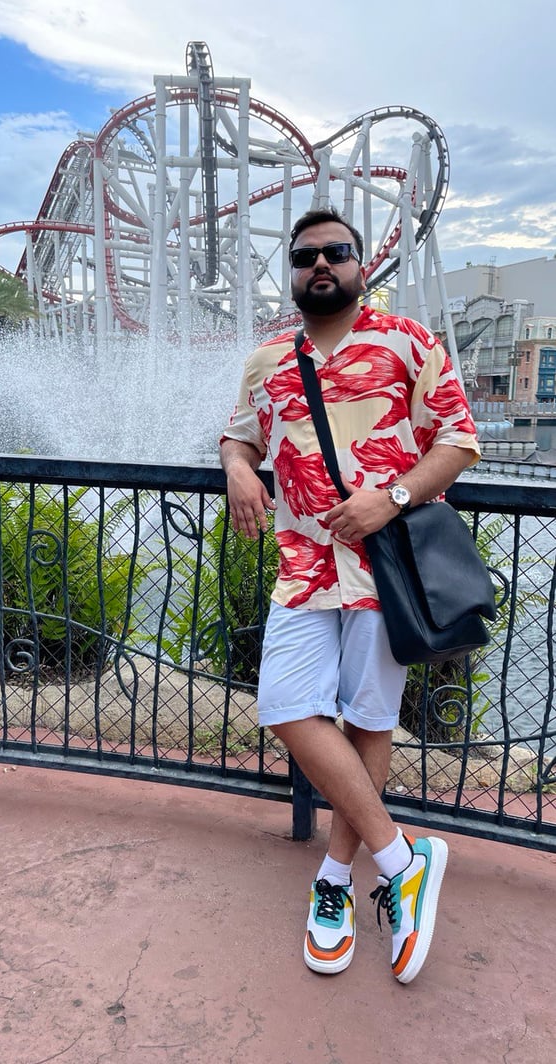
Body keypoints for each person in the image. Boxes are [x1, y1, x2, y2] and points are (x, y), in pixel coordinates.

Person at [219, 207, 480, 984]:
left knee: (369, 718)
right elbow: (242, 433)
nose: (321, 264)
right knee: (286, 706)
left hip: (387, 564)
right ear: (292, 272)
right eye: (307, 256)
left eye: (337, 252)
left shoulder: (409, 341)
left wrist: (389, 498)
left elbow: (460, 440)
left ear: (361, 265)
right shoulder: (268, 358)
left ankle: (334, 884)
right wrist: (235, 464)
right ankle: (404, 860)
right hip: (302, 565)